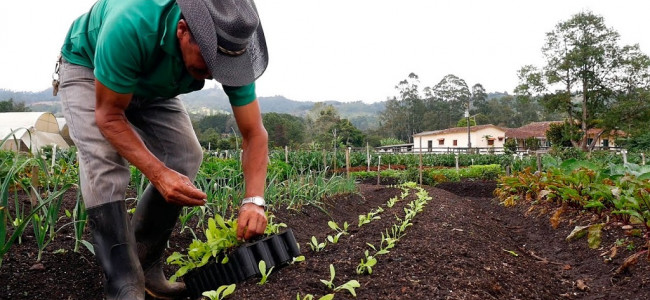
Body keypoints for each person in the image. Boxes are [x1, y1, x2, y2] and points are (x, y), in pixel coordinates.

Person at [56, 0, 269, 299]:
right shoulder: (132, 22)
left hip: (152, 83)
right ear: (182, 30)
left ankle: (145, 265)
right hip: (90, 69)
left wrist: (254, 200)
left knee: (185, 154)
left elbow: (254, 133)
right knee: (105, 164)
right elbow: (109, 116)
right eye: (206, 63)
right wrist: (158, 174)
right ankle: (123, 284)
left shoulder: (229, 47)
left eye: (222, 69)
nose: (213, 75)